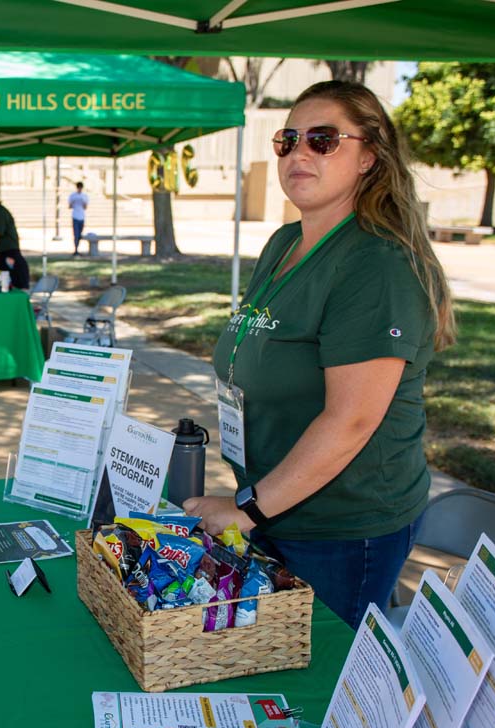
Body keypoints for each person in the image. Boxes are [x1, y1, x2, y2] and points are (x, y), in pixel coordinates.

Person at [183, 80, 456, 628]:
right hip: (273, 506)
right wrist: (252, 502)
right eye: (287, 139)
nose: (298, 153)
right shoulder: (284, 243)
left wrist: (246, 510)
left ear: (369, 158)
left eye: (323, 139)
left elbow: (350, 420)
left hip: (342, 527)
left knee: (324, 694)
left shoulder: (376, 265)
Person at [68, 180, 89, 256]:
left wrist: (83, 202)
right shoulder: (73, 195)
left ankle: (77, 248)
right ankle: (76, 249)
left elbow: (85, 207)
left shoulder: (84, 196)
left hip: (82, 217)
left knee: (79, 234)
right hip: (75, 216)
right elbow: (69, 206)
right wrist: (73, 202)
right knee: (76, 234)